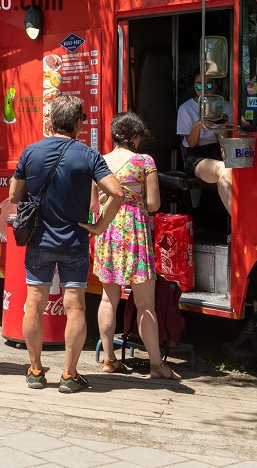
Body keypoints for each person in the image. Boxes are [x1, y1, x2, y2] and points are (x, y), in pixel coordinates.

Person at [9, 94, 123, 393]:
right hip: (74, 240)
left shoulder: (31, 152)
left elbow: (14, 195)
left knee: (34, 303)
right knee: (75, 307)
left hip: (39, 240)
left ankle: (35, 370)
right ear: (78, 122)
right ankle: (69, 376)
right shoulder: (88, 155)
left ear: (51, 121)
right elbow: (118, 193)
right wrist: (99, 226)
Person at [92, 112, 181, 380]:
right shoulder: (144, 162)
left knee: (108, 298)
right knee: (146, 305)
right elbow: (153, 204)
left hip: (107, 229)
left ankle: (109, 360)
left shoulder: (100, 161)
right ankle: (156, 365)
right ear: (136, 137)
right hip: (135, 232)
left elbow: (93, 205)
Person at [177, 69, 233, 210]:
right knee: (225, 170)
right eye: (199, 86)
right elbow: (191, 143)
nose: (204, 90)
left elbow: (225, 143)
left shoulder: (226, 106)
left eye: (209, 86)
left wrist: (223, 126)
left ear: (216, 86)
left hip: (219, 152)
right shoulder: (186, 108)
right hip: (197, 155)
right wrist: (198, 126)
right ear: (194, 87)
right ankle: (241, 224)